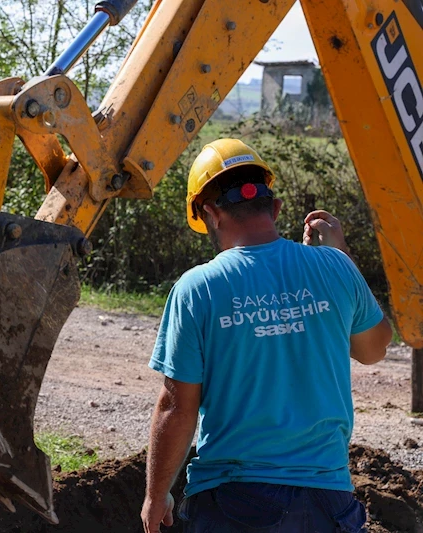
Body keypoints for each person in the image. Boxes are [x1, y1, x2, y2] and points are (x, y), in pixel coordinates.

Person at [140, 139, 392, 533]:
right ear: (274, 208)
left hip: (234, 502)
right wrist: (342, 257)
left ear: (209, 213)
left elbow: (178, 407)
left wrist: (157, 495)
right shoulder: (335, 268)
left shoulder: (197, 289)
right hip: (330, 504)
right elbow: (374, 349)